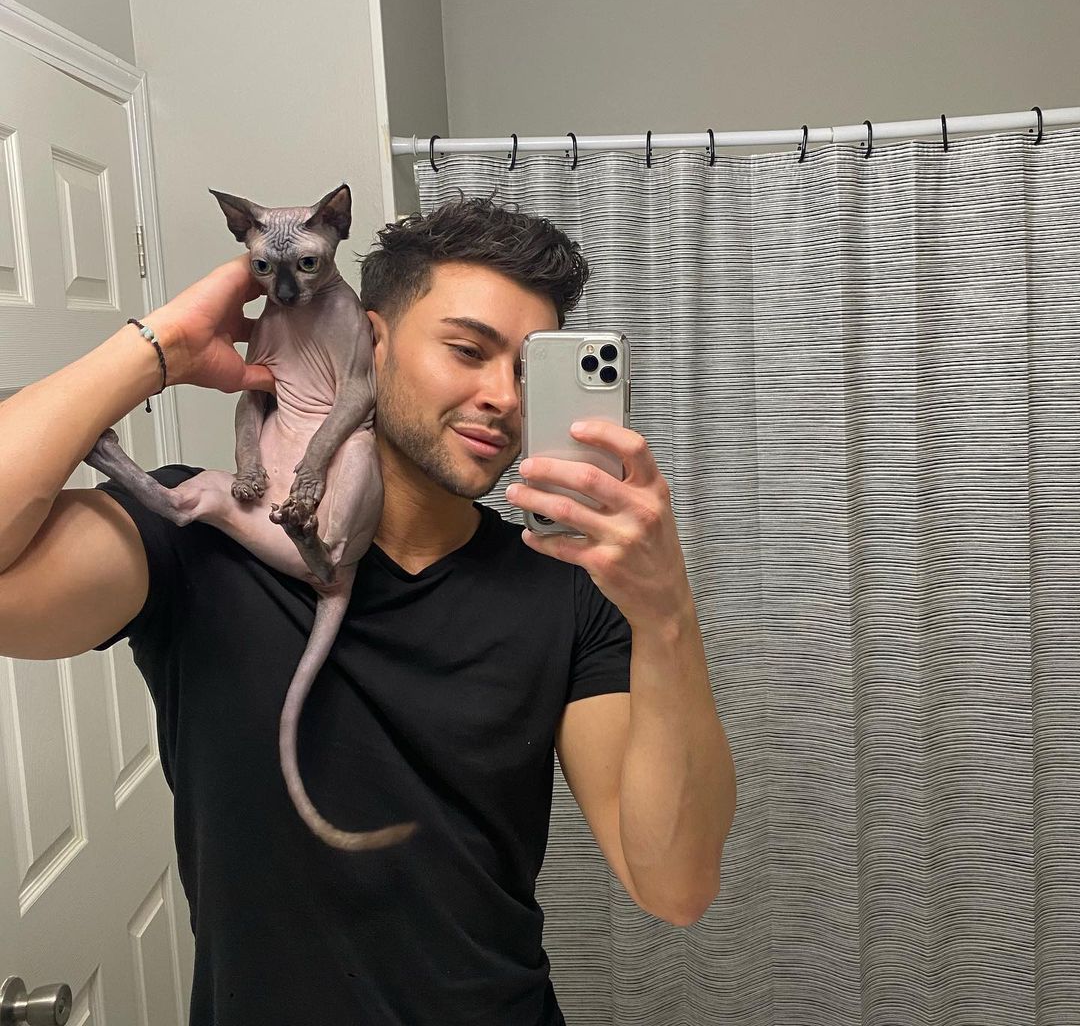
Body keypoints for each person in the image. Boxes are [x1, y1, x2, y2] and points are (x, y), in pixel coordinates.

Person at [0, 197, 736, 1025]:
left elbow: (675, 886)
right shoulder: (199, 539)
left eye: (530, 369)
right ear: (371, 340)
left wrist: (667, 611)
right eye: (469, 350)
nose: (504, 396)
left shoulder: (563, 588)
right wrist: (156, 348)